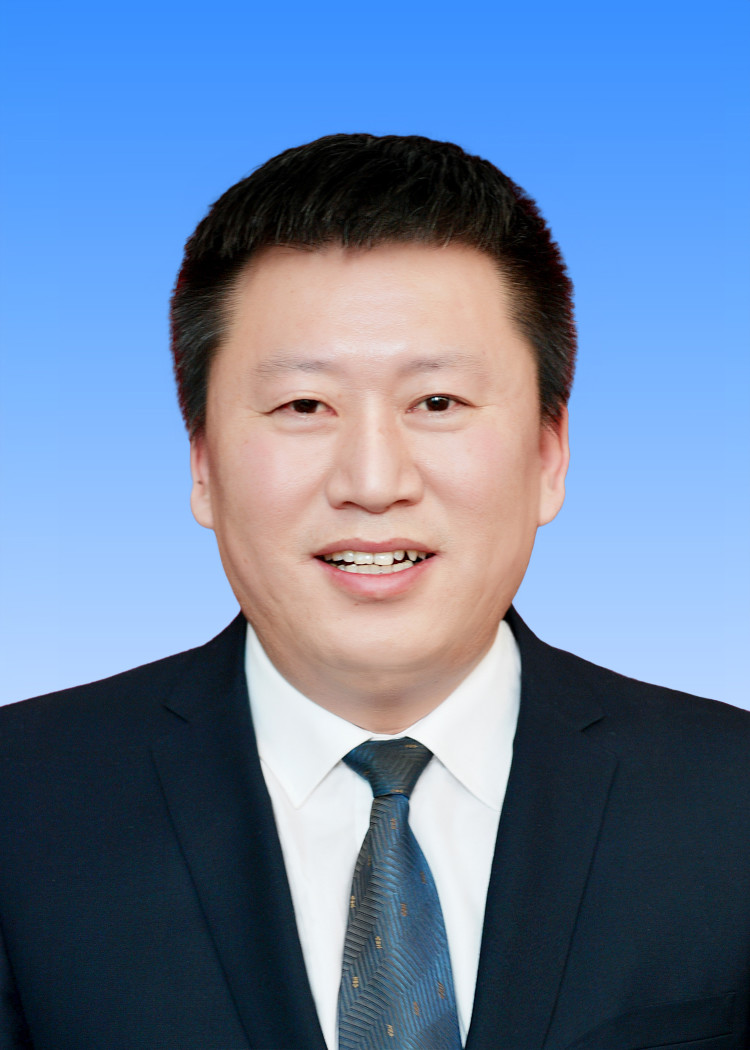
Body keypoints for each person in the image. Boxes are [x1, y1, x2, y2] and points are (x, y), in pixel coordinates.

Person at [0, 134, 748, 1050]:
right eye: (303, 407)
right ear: (201, 464)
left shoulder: (730, 799)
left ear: (549, 455)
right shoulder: (22, 803)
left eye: (437, 403)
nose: (373, 480)